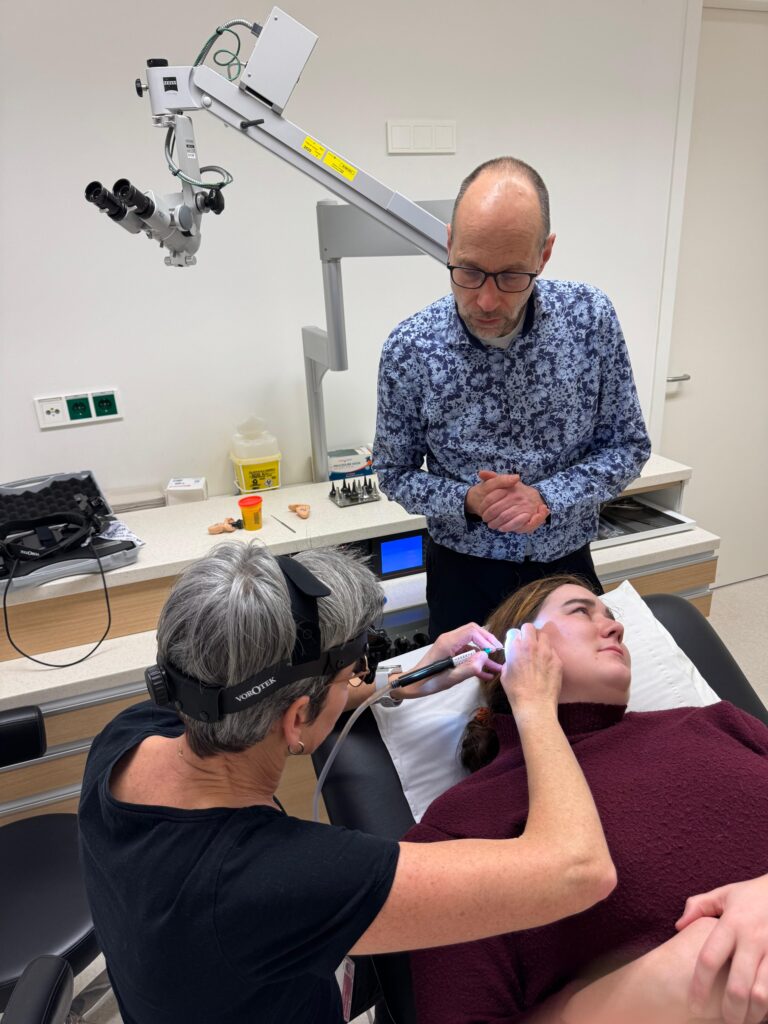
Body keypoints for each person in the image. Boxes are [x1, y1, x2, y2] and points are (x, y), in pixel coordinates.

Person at [77, 542, 617, 1024]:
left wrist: (402, 682)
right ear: (296, 720)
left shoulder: (126, 738)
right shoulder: (282, 879)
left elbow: (260, 694)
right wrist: (535, 705)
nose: (359, 680)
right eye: (352, 674)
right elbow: (580, 871)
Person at [405, 574, 768, 1024]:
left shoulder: (716, 724)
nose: (615, 627)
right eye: (581, 611)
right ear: (512, 647)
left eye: (613, 616)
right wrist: (669, 980)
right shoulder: (463, 825)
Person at [373, 156, 651, 639]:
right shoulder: (411, 348)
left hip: (565, 566)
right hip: (462, 575)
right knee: (468, 711)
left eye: (511, 277)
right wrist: (469, 501)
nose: (485, 299)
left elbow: (628, 446)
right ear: (448, 243)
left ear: (544, 255)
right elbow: (393, 473)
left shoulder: (590, 320)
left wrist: (547, 497)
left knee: (578, 704)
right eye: (470, 271)